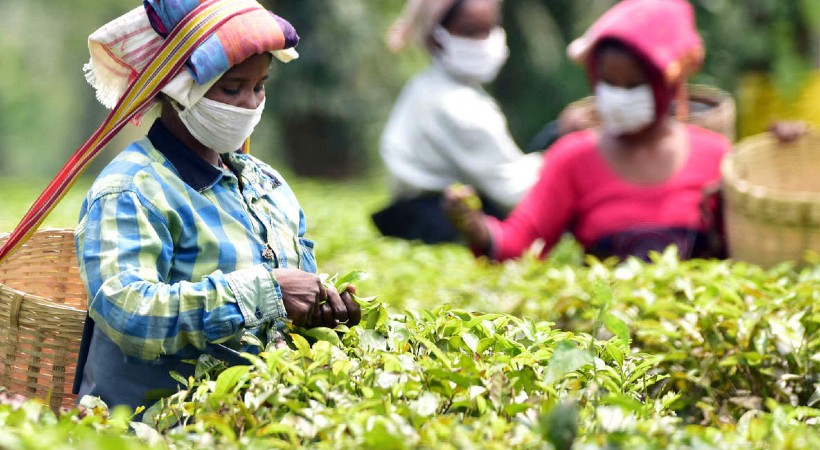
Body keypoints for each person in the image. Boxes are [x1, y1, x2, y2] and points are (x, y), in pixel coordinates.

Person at [71, 0, 360, 414]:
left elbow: (286, 304)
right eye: (231, 87)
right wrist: (267, 290)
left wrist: (319, 310)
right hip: (149, 428)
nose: (249, 103)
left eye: (259, 86)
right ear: (178, 86)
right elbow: (128, 312)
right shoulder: (131, 188)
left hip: (251, 423)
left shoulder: (267, 185)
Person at [444, 0, 732, 262]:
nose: (619, 95)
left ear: (666, 83)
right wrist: (477, 228)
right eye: (609, 81)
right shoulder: (572, 158)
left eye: (634, 84)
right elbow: (521, 244)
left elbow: (753, 246)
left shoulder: (716, 156)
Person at [371, 0, 545, 244]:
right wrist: (565, 148)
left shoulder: (429, 86)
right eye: (470, 30)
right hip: (437, 224)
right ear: (435, 38)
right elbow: (514, 190)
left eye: (491, 27)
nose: (484, 40)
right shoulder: (453, 104)